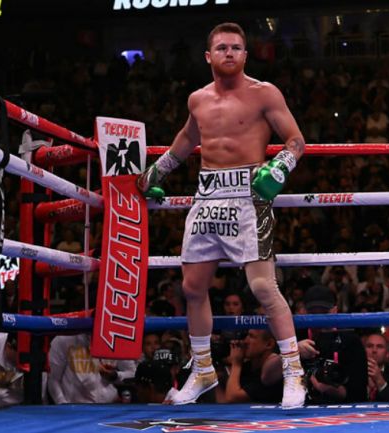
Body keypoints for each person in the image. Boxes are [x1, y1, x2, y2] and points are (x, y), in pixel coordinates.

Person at [136, 22, 306, 409]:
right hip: (207, 195)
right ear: (208, 56)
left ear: (245, 55)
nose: (229, 53)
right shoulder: (197, 99)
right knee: (192, 288)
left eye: (236, 48)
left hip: (250, 195)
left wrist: (278, 169)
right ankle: (202, 370)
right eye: (222, 47)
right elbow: (185, 140)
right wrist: (155, 173)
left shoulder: (265, 93)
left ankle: (294, 373)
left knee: (263, 287)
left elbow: (297, 142)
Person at [298, 285, 367, 403]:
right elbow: (266, 378)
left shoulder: (349, 340)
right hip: (299, 407)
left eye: (324, 312)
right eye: (313, 313)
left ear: (335, 310)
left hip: (340, 410)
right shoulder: (295, 335)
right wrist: (292, 351)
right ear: (303, 311)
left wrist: (332, 389)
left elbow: (360, 393)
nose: (318, 318)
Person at [47, 334, 136, 404]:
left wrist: (115, 375)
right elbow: (54, 379)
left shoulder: (117, 339)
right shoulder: (64, 340)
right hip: (76, 408)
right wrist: (62, 404)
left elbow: (133, 373)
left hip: (110, 406)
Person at [219, 329, 283, 404]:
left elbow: (232, 397)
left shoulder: (273, 373)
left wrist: (236, 364)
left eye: (251, 336)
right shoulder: (248, 367)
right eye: (247, 336)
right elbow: (224, 403)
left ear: (269, 344)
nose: (245, 341)